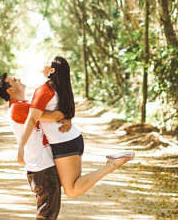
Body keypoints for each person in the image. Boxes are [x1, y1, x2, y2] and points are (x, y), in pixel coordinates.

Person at [17, 56, 133, 198]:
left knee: (72, 189)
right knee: (66, 185)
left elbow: (32, 118)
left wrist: (21, 147)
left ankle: (111, 165)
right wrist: (55, 116)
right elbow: (47, 114)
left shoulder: (45, 90)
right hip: (69, 140)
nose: (43, 61)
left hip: (64, 143)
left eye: (47, 62)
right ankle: (111, 165)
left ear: (52, 70)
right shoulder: (57, 89)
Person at [0, 72, 70, 220]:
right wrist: (65, 113)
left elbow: (50, 119)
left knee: (52, 209)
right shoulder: (18, 107)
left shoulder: (23, 104)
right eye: (15, 80)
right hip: (39, 167)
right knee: (46, 211)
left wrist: (64, 117)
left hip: (44, 163)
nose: (19, 79)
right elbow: (53, 115)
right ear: (10, 90)